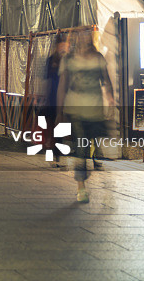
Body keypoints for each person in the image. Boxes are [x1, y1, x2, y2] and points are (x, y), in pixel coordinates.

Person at [58, 31, 114, 203]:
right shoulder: (68, 59)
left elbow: (106, 80)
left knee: (96, 143)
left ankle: (94, 172)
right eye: (80, 36)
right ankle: (81, 187)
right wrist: (59, 111)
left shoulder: (98, 57)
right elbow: (63, 85)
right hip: (76, 109)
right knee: (81, 146)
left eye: (86, 36)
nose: (83, 39)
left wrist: (111, 99)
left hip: (95, 109)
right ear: (75, 39)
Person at [41, 35, 69, 167]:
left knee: (61, 129)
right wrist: (44, 97)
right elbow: (47, 81)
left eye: (65, 44)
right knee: (53, 129)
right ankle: (54, 155)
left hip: (66, 99)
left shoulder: (70, 60)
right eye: (61, 44)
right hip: (53, 99)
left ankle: (58, 155)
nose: (64, 47)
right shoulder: (51, 60)